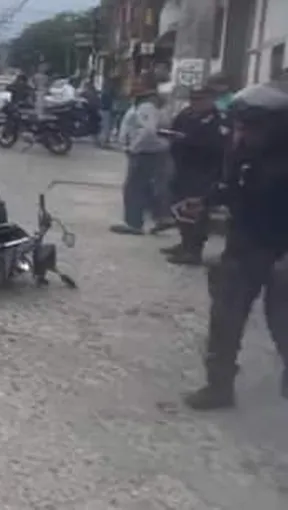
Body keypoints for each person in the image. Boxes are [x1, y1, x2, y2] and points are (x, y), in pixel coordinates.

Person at [175, 79, 288, 410]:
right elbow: (232, 186)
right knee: (225, 319)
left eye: (249, 126)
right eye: (239, 125)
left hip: (281, 251)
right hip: (244, 247)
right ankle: (219, 386)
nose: (241, 132)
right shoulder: (244, 152)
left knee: (283, 321)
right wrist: (204, 202)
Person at [160, 87, 226, 266]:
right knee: (178, 207)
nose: (195, 103)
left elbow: (217, 147)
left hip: (203, 172)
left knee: (194, 210)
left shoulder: (217, 121)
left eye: (200, 99)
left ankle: (193, 249)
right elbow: (174, 128)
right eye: (193, 99)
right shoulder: (186, 114)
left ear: (211, 99)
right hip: (182, 169)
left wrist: (187, 141)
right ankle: (184, 242)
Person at [111, 88, 175, 235]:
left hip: (144, 152)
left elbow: (148, 131)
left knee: (133, 188)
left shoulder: (146, 108)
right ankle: (161, 217)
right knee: (152, 186)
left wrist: (134, 147)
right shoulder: (158, 110)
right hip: (153, 151)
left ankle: (134, 223)